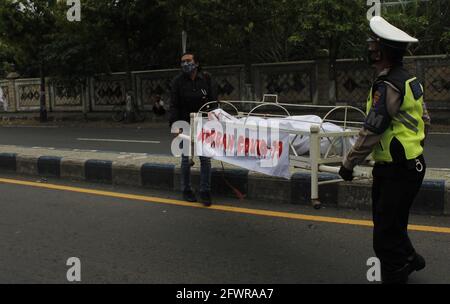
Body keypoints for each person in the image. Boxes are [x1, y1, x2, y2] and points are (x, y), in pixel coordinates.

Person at [339, 16, 431, 284]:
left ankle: (395, 273)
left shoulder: (388, 85)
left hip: (395, 168)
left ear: (382, 51)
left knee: (383, 233)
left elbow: (373, 128)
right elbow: (425, 120)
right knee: (395, 222)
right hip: (413, 165)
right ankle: (411, 258)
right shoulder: (410, 80)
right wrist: (415, 149)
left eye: (373, 44)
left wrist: (349, 163)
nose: (369, 48)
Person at [169, 52, 218, 207]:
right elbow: (174, 105)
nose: (185, 64)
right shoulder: (177, 82)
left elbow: (214, 101)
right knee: (185, 159)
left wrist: (214, 117)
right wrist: (175, 125)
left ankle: (205, 191)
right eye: (182, 61)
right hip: (184, 123)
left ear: (196, 63)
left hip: (203, 124)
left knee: (205, 158)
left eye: (188, 61)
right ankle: (186, 189)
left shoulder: (206, 79)